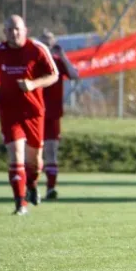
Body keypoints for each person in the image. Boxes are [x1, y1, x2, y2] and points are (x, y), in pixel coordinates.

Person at [0, 15, 59, 215]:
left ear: (26, 29)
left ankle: (32, 185)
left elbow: (54, 75)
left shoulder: (37, 49)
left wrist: (33, 84)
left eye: (16, 29)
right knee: (15, 154)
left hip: (34, 111)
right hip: (8, 110)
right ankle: (20, 203)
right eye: (8, 30)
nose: (13, 33)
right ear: (4, 32)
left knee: (34, 161)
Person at [38, 30, 79, 200]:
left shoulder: (58, 62)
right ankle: (30, 187)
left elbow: (75, 75)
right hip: (34, 113)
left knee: (51, 151)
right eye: (44, 42)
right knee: (32, 153)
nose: (48, 45)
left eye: (50, 42)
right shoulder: (34, 61)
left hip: (53, 114)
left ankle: (50, 188)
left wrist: (63, 55)